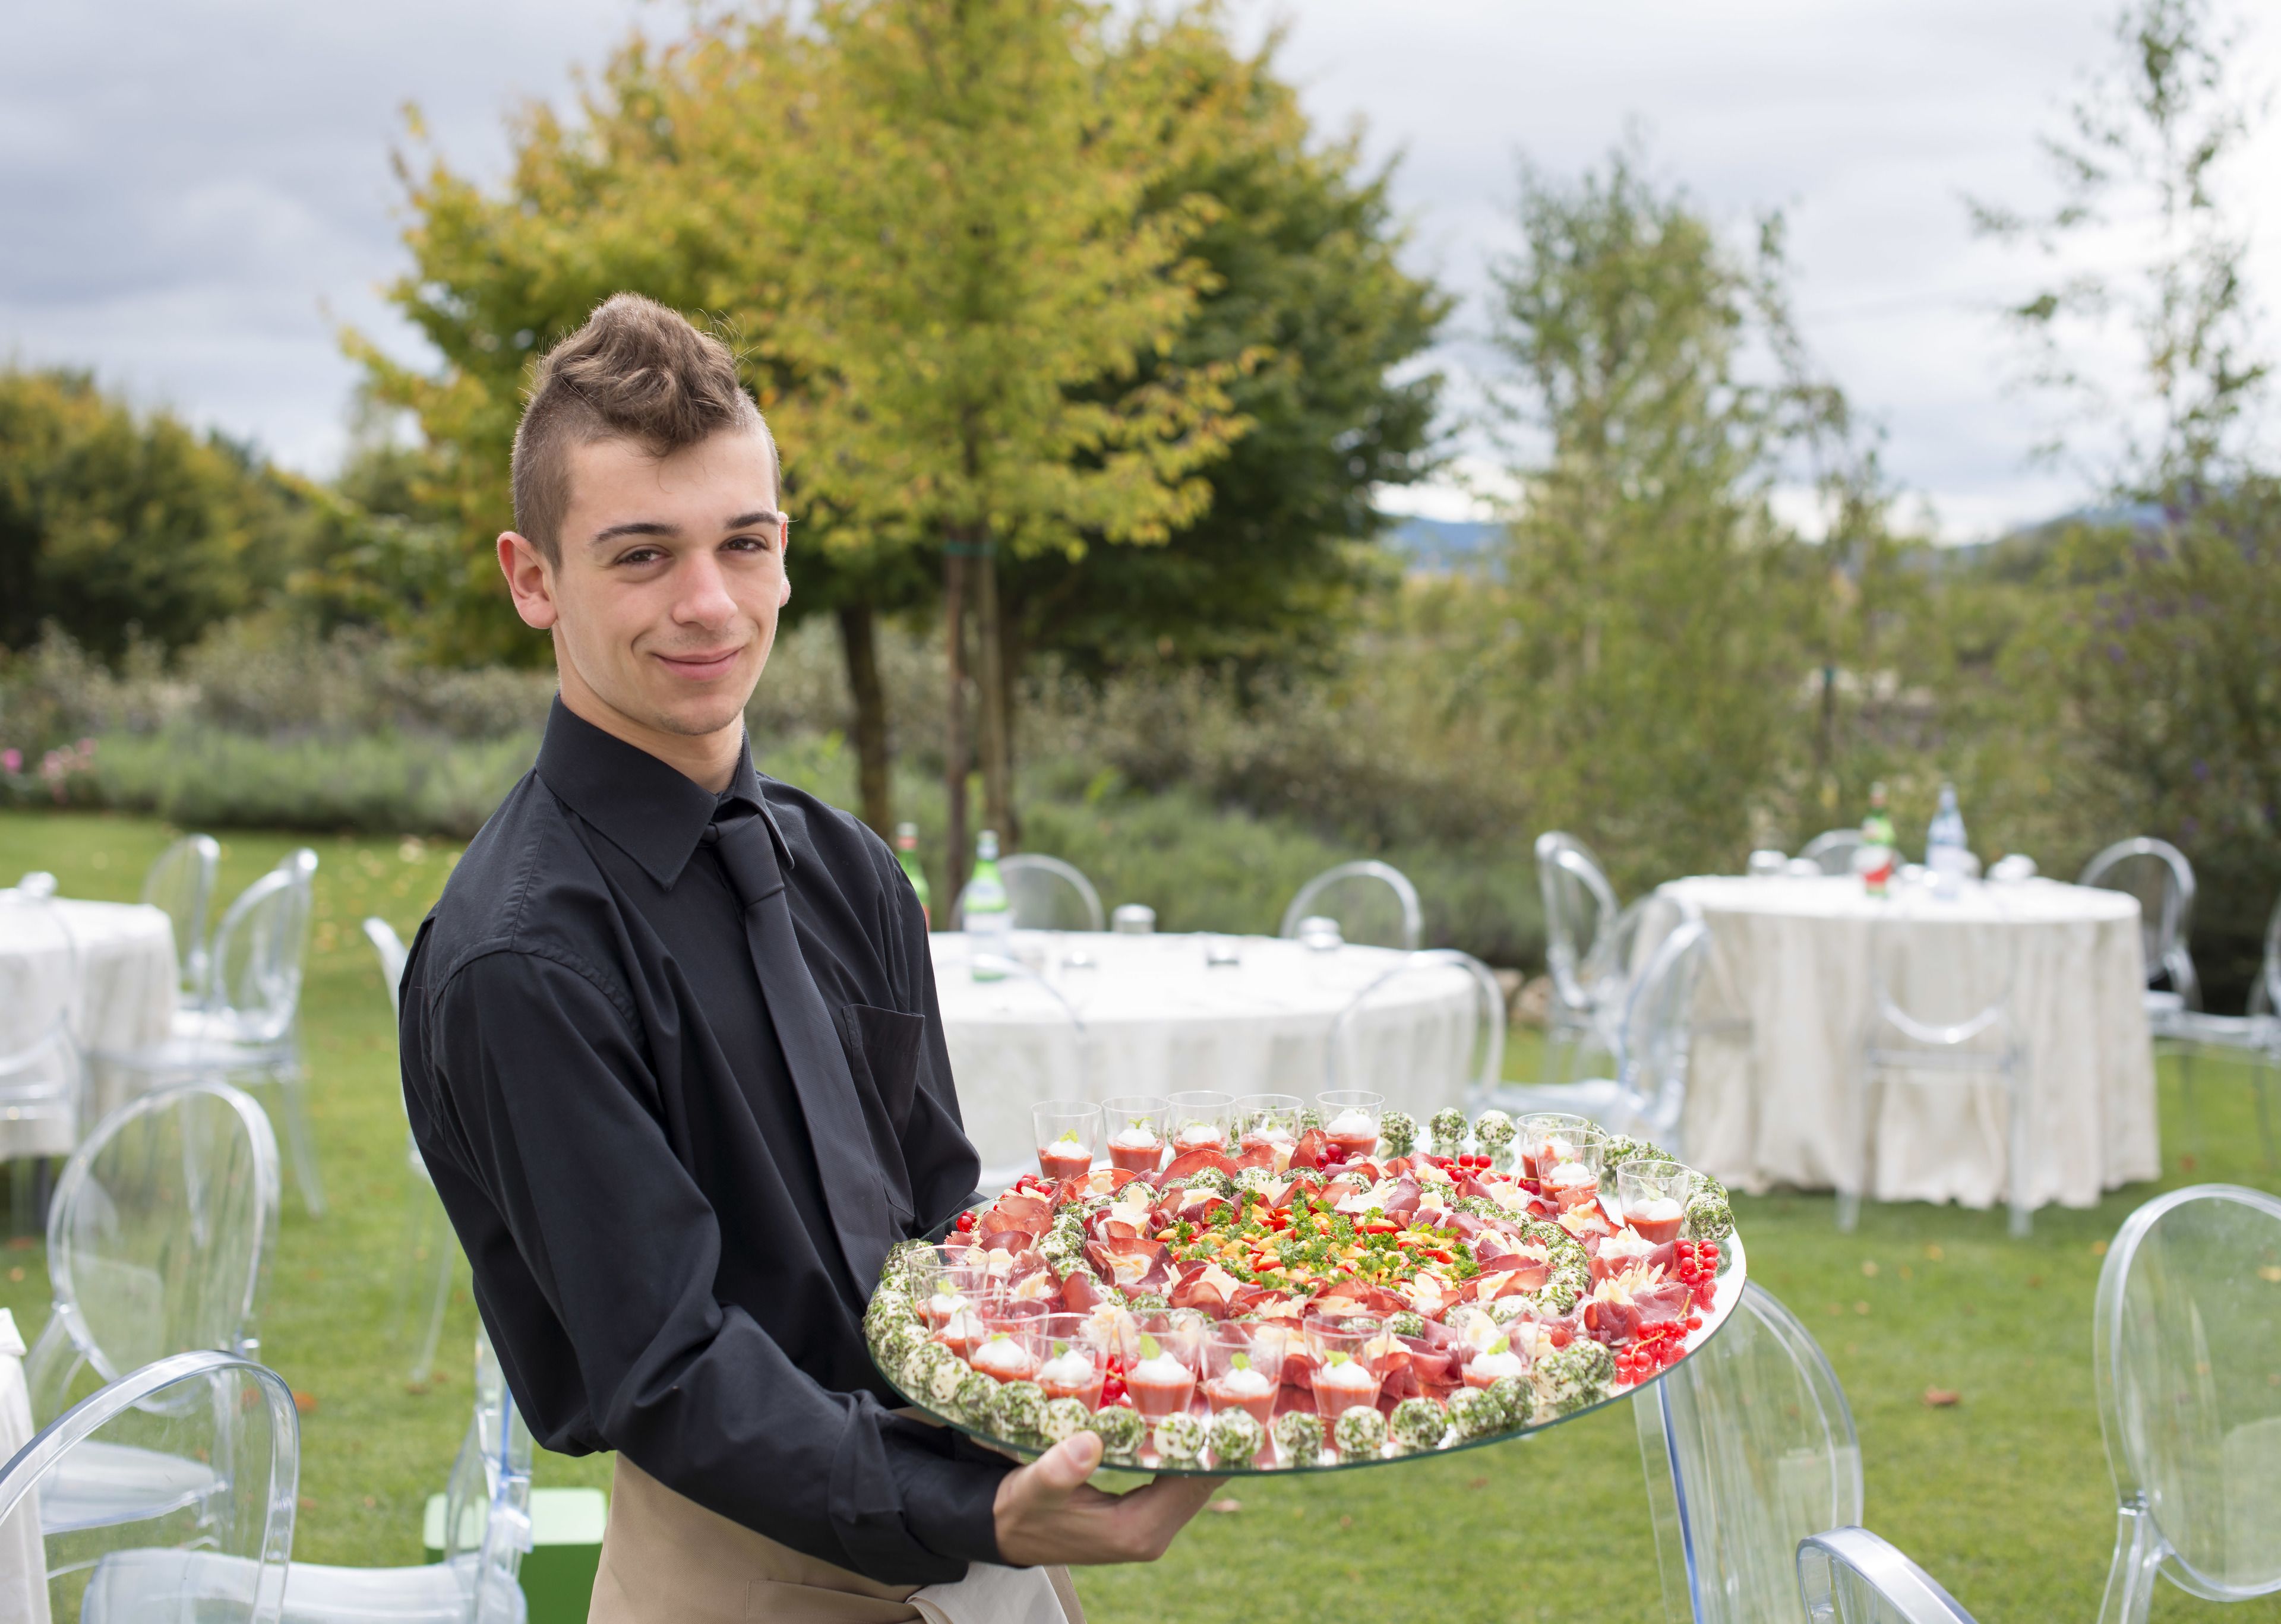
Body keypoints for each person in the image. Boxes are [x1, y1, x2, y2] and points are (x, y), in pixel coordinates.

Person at [397, 293, 1218, 1623]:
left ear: (785, 554)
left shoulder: (848, 870)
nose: (708, 601)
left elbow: (941, 1215)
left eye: (744, 542)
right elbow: (665, 1365)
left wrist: (1158, 1346)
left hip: (989, 1537)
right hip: (734, 1569)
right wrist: (970, 1506)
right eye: (642, 555)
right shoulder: (521, 955)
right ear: (532, 576)